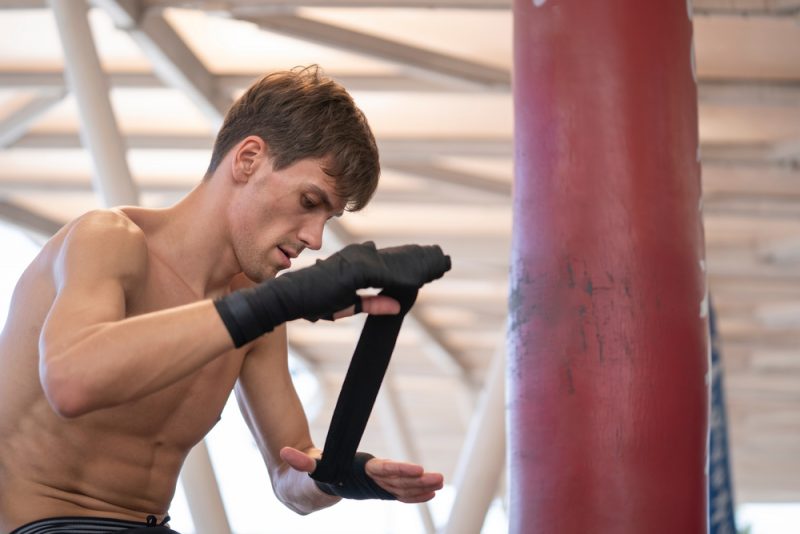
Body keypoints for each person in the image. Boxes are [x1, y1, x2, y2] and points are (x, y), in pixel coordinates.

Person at [0, 66, 450, 534]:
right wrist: (281, 301)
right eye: (309, 201)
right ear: (249, 159)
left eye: (328, 217)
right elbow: (72, 382)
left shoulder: (256, 308)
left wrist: (344, 474)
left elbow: (289, 476)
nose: (316, 239)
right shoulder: (108, 240)